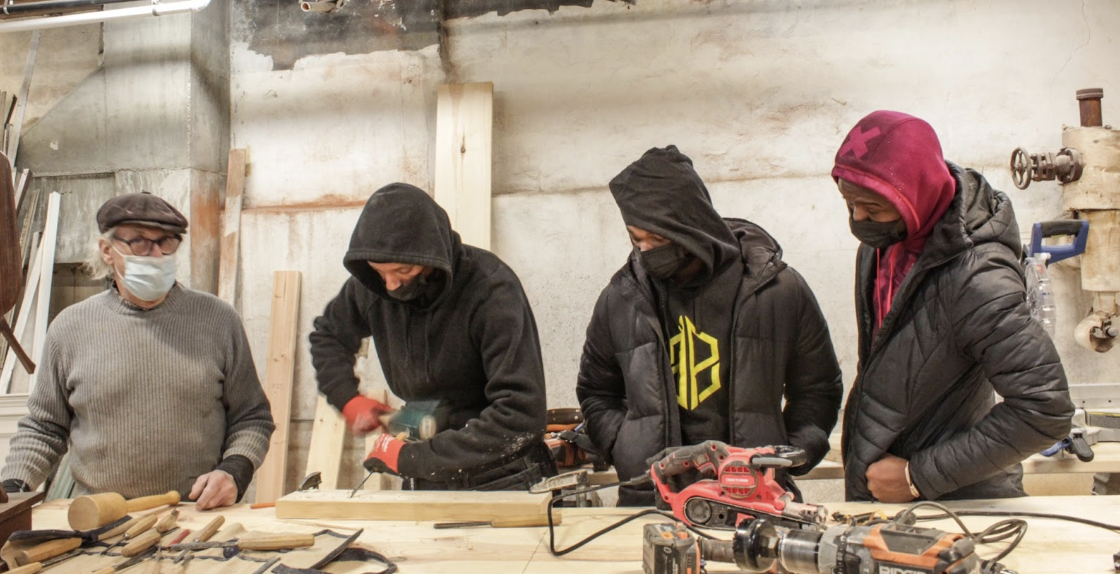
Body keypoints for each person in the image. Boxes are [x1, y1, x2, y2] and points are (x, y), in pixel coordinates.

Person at [576, 145, 844, 506]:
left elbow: (818, 389)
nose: (646, 250)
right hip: (650, 500)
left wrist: (784, 457)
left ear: (691, 225)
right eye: (636, 239)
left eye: (658, 238)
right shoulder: (622, 298)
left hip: (756, 497)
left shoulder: (778, 291)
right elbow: (596, 390)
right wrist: (623, 446)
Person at [833, 110, 1074, 502]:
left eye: (872, 209)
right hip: (891, 495)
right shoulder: (882, 246)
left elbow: (1045, 410)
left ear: (915, 195)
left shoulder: (979, 278)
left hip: (958, 504)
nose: (859, 219)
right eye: (850, 204)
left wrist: (917, 476)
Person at [1, 192, 275, 510]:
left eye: (166, 242)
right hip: (99, 516)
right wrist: (13, 487)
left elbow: (252, 417)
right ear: (107, 250)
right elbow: (45, 427)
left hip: (196, 512)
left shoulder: (217, 320)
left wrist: (235, 471)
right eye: (140, 242)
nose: (156, 255)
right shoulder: (70, 327)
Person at [309, 183, 554, 490]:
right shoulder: (372, 286)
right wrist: (347, 397)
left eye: (403, 270)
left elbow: (520, 415)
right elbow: (328, 336)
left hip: (502, 473)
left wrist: (411, 459)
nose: (391, 285)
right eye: (380, 271)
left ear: (430, 258)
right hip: (426, 468)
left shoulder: (491, 290)